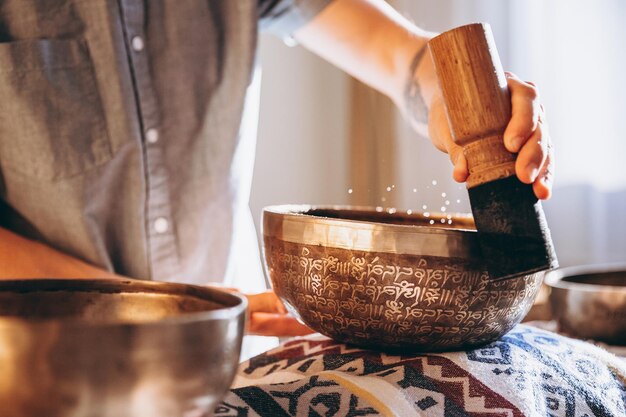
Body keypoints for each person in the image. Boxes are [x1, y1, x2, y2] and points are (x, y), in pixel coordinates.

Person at [0, 0, 552, 338]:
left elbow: (400, 56)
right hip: (37, 361)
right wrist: (169, 310)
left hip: (228, 351)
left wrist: (446, 91)